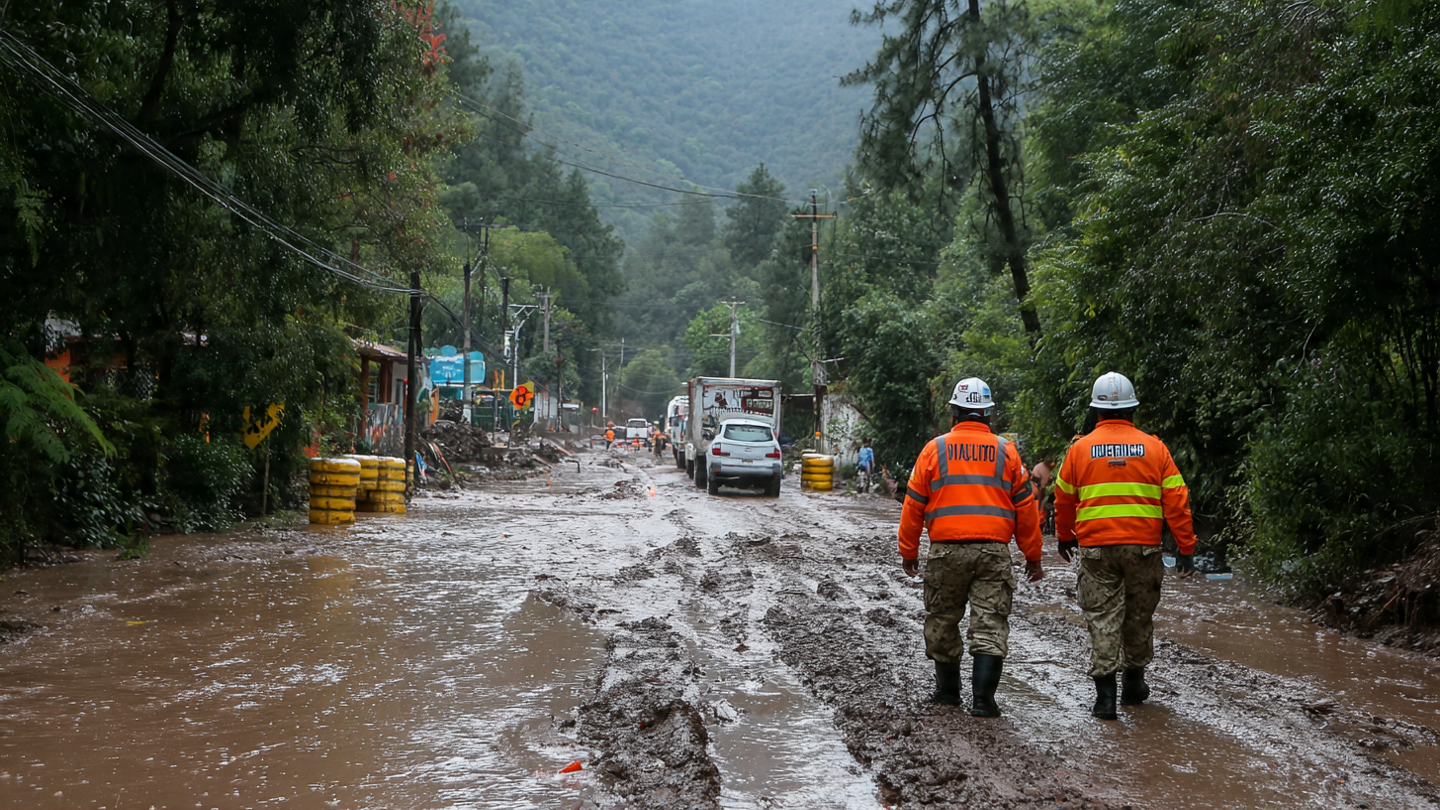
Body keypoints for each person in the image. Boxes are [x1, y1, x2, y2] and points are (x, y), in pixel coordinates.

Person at [1054, 371, 1197, 720]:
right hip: (1144, 549)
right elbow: (1177, 501)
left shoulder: (1079, 449)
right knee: (1138, 616)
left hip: (1096, 550)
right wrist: (1186, 547)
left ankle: (1105, 701)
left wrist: (1064, 536)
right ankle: (1134, 688)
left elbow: (1063, 499)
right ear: (1132, 410)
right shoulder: (1155, 448)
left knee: (1103, 618)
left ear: (1097, 412)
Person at [898, 377, 1044, 716]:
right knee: (990, 623)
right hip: (994, 552)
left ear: (954, 413)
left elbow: (913, 505)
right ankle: (983, 702)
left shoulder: (934, 449)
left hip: (946, 551)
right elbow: (1026, 509)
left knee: (943, 620)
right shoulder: (1007, 451)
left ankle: (948, 694)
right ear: (989, 416)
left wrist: (909, 551)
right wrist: (1033, 556)